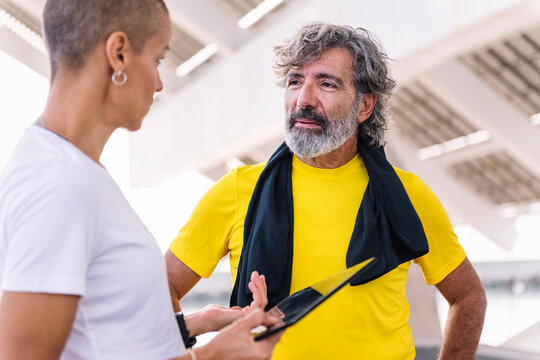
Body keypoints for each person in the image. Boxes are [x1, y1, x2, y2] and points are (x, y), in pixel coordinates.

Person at [166, 22, 487, 360]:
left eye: (326, 84)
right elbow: (161, 289)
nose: (303, 99)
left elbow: (468, 296)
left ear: (364, 106)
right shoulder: (236, 190)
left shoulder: (407, 195)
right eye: (295, 82)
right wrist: (187, 352)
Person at [0, 0, 281, 359]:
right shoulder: (59, 183)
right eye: (158, 59)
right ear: (118, 54)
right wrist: (211, 356)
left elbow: (97, 334)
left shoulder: (73, 170)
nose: (160, 83)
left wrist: (192, 326)